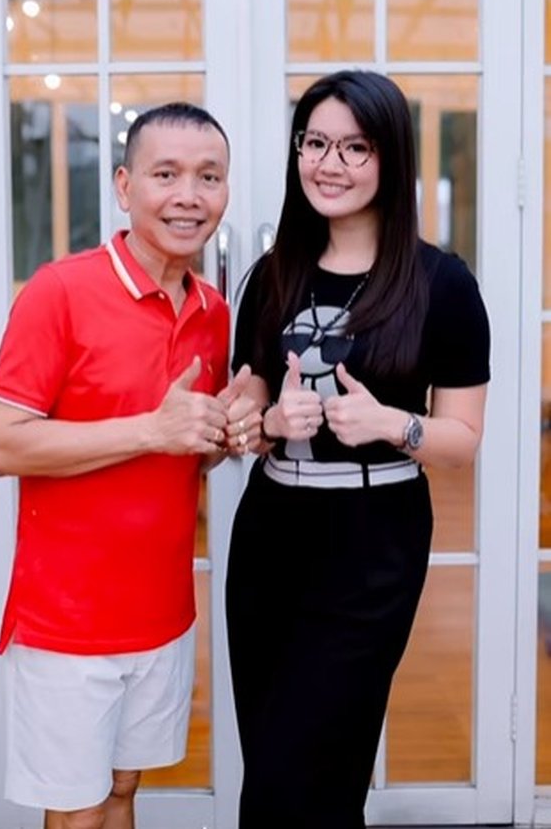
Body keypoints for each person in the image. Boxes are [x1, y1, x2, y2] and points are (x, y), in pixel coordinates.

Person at [225, 70, 490, 829]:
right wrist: (269, 422)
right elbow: (243, 413)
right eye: (314, 142)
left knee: (297, 775)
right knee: (290, 765)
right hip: (272, 535)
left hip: (374, 548)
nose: (328, 163)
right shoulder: (270, 278)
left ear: (390, 159)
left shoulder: (441, 285)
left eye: (354, 146)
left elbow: (462, 441)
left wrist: (392, 424)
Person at [0, 102, 258, 829]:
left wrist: (222, 437)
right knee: (75, 811)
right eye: (165, 174)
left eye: (209, 176)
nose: (188, 195)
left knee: (124, 790)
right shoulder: (59, 291)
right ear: (123, 185)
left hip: (162, 612)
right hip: (68, 621)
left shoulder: (212, 311)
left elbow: (183, 453)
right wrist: (151, 429)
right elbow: (3, 444)